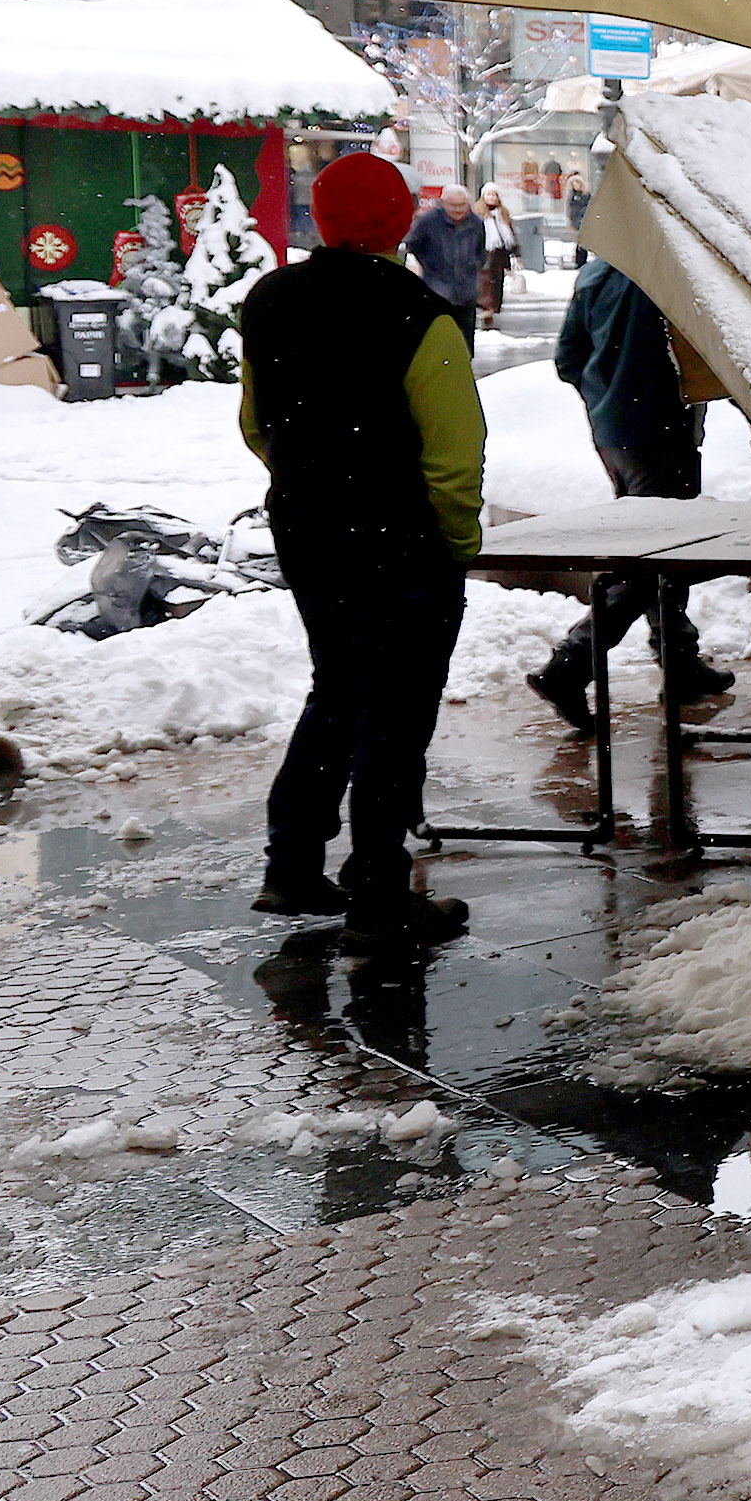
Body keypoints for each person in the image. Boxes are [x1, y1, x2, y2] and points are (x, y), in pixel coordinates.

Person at [236, 153, 483, 949]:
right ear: (399, 219)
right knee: (396, 706)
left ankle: (291, 864)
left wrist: (310, 477)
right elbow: (455, 452)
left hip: (306, 529)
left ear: (324, 218)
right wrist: (456, 539)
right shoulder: (420, 312)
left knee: (337, 687)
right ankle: (379, 889)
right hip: (399, 537)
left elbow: (255, 422)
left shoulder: (271, 301)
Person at [526, 258, 735, 730]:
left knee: (660, 550)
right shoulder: (672, 274)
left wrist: (607, 400)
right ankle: (570, 666)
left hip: (615, 435)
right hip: (663, 432)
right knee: (654, 563)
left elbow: (567, 359)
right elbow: (708, 357)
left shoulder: (596, 274)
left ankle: (680, 663)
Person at [403, 183, 483, 330]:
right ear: (443, 203)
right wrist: (428, 265)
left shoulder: (476, 223)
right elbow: (413, 245)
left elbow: (480, 250)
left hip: (467, 293)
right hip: (437, 292)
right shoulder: (428, 221)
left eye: (462, 205)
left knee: (466, 342)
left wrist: (472, 268)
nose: (458, 210)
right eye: (453, 205)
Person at [474, 183, 516, 330]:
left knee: (497, 284)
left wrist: (516, 253)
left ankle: (491, 310)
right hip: (484, 255)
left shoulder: (503, 213)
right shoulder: (478, 213)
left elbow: (511, 234)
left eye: (494, 195)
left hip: (499, 256)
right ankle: (486, 310)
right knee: (485, 284)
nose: (491, 198)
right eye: (489, 195)